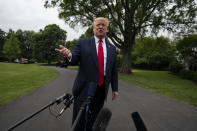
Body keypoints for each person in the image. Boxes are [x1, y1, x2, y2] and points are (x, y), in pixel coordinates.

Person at [55, 17, 118, 131]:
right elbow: (74, 58)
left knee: (94, 121)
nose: (100, 27)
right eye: (98, 25)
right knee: (79, 121)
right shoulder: (83, 42)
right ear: (93, 28)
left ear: (107, 29)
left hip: (101, 90)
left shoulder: (112, 48)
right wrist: (69, 55)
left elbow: (113, 70)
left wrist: (115, 88)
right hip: (84, 89)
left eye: (103, 25)